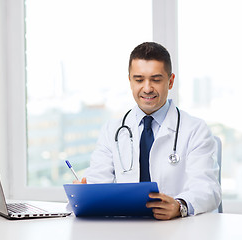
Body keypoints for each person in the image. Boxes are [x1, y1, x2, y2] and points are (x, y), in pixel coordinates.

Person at [75, 42, 221, 220]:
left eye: (156, 79)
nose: (147, 88)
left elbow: (207, 189)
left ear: (171, 81)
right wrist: (86, 191)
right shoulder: (112, 130)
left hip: (177, 229)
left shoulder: (195, 130)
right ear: (129, 80)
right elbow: (98, 181)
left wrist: (179, 205)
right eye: (139, 79)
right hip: (127, 228)